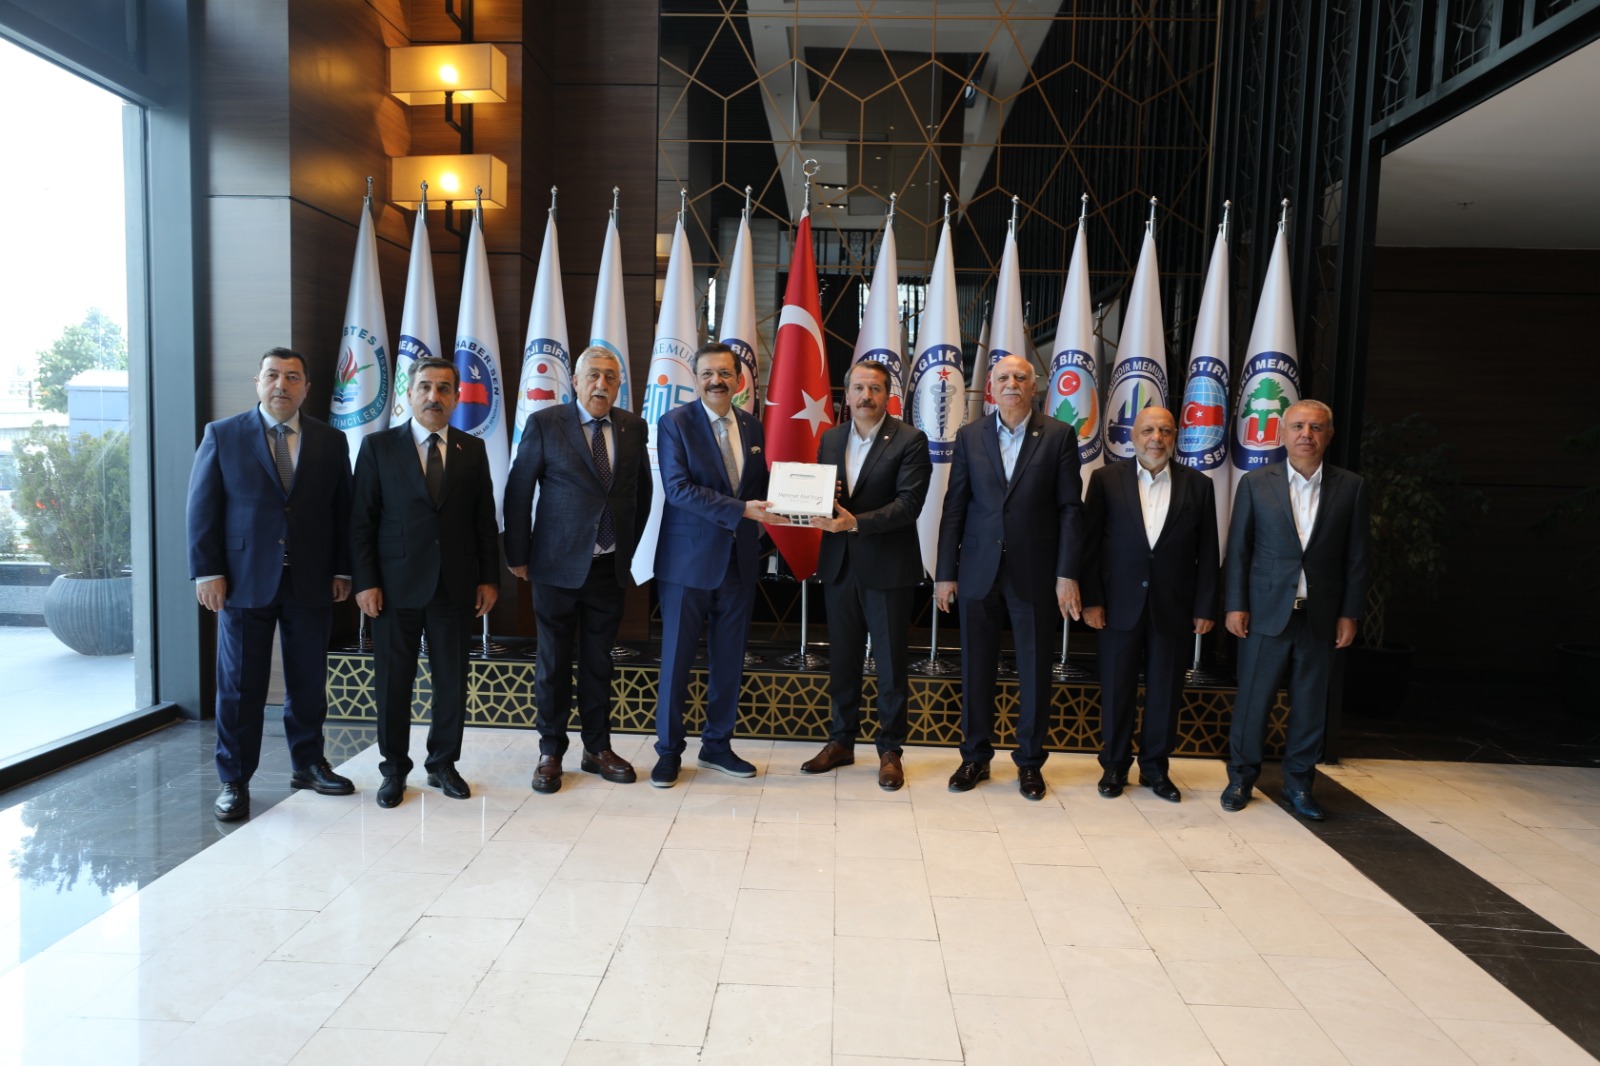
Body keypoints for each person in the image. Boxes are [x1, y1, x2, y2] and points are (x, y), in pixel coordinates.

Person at [186, 347, 355, 822]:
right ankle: (234, 780)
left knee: (308, 682)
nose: (282, 384)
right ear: (258, 383)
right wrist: (208, 571)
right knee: (240, 686)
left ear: (307, 387)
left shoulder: (330, 440)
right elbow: (202, 507)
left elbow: (343, 509)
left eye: (293, 377)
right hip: (242, 581)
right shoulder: (222, 435)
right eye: (273, 375)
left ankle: (308, 765)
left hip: (311, 579)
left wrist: (343, 570)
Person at [350, 356, 500, 808]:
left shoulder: (472, 450)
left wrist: (489, 579)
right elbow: (361, 522)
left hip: (455, 586)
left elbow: (484, 521)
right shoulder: (378, 447)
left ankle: (442, 764)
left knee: (451, 682)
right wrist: (365, 582)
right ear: (409, 393)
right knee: (393, 682)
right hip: (393, 587)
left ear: (456, 397)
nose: (434, 396)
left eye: (443, 388)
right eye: (425, 387)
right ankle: (394, 769)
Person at [503, 347, 651, 794]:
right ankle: (550, 751)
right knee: (553, 663)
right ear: (575, 381)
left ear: (619, 384)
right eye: (593, 376)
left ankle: (597, 748)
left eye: (610, 377)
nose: (601, 384)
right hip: (555, 567)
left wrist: (627, 549)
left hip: (609, 567)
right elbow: (518, 491)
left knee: (599, 662)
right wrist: (518, 554)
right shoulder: (545, 424)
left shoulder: (633, 427)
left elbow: (641, 494)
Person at [935, 355, 1082, 800]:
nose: (1012, 383)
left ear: (1034, 388)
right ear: (991, 387)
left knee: (1035, 671)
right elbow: (955, 506)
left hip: (1035, 572)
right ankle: (974, 757)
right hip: (977, 571)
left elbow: (1070, 509)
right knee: (975, 668)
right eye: (1003, 378)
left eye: (1021, 377)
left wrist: (1066, 573)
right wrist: (944, 573)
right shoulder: (970, 436)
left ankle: (1030, 763)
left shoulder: (1058, 435)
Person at [1223, 398, 1371, 821]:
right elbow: (1239, 551)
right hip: (1265, 613)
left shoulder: (1352, 487)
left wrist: (1350, 613)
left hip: (1320, 616)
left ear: (1329, 435)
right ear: (1283, 433)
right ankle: (1240, 779)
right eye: (1299, 426)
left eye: (1316, 427)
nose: (1307, 434)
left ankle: (1299, 785)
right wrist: (1235, 605)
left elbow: (1358, 557)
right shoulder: (1255, 483)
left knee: (1310, 706)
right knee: (1253, 702)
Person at [650, 342, 783, 788]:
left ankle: (717, 746)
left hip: (739, 562)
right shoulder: (675, 423)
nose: (716, 381)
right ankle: (669, 751)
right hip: (687, 564)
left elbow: (759, 487)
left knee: (729, 661)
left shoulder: (752, 426)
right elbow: (678, 489)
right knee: (677, 662)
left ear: (739, 380)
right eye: (707, 373)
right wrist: (741, 510)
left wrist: (808, 495)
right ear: (695, 379)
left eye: (725, 373)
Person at [801, 360, 930, 790]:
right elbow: (825, 497)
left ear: (887, 394)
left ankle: (890, 750)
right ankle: (841, 741)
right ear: (847, 393)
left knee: (891, 664)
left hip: (888, 567)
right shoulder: (831, 438)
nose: (865, 396)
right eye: (858, 388)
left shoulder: (910, 439)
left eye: (874, 388)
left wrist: (854, 522)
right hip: (839, 566)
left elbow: (909, 504)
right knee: (843, 660)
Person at [1081, 406, 1218, 802]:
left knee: (1165, 691)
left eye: (1165, 431)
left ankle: (1155, 769)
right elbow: (1089, 546)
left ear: (1175, 436)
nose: (1156, 438)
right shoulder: (1106, 480)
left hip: (1173, 606)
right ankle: (1114, 766)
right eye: (1147, 430)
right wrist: (1092, 600)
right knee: (1116, 688)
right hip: (1117, 605)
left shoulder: (1199, 485)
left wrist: (1205, 606)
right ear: (1133, 436)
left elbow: (1208, 551)